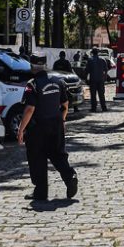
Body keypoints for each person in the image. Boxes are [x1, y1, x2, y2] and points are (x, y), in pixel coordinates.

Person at [17, 53, 78, 204]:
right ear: (45, 65)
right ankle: (69, 177)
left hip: (38, 128)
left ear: (31, 66)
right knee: (58, 154)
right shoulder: (58, 81)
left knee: (37, 158)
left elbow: (30, 109)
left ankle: (40, 192)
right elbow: (65, 105)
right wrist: (62, 121)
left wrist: (20, 130)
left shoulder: (33, 84)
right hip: (56, 124)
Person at [87, 48, 108, 112]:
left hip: (93, 80)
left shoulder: (90, 60)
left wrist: (86, 79)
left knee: (93, 95)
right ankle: (104, 107)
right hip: (101, 79)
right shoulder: (102, 60)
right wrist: (105, 78)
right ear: (98, 53)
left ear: (92, 53)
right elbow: (106, 70)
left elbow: (87, 70)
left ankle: (94, 108)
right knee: (101, 94)